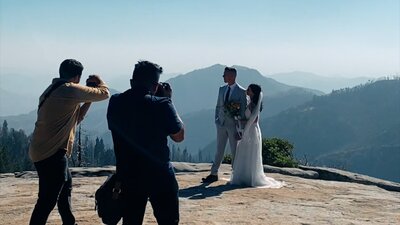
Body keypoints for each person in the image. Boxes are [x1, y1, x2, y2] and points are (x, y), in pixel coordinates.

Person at [29, 59, 110, 225]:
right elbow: (104, 94)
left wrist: (88, 99)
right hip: (52, 153)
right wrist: (99, 81)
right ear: (77, 77)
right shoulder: (69, 90)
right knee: (47, 200)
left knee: (64, 192)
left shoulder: (51, 90)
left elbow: (76, 118)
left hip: (44, 150)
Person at [107, 60, 184, 225]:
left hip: (128, 175)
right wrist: (168, 100)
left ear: (131, 82)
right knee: (169, 221)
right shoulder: (162, 104)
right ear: (156, 86)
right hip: (160, 174)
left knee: (131, 221)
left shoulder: (115, 102)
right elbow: (178, 136)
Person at [230, 84, 284, 188]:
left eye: (249, 89)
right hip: (250, 129)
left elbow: (253, 120)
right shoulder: (251, 103)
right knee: (246, 151)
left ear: (253, 92)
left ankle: (248, 176)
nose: (247, 90)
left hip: (251, 131)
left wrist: (240, 120)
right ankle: (246, 175)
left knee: (249, 152)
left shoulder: (253, 105)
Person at [202, 66, 247, 183]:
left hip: (234, 125)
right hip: (221, 124)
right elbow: (218, 106)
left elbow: (243, 110)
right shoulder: (222, 89)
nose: (223, 76)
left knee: (234, 151)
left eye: (225, 75)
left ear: (232, 76)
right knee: (219, 149)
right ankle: (213, 173)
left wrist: (240, 127)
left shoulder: (242, 91)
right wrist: (216, 119)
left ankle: (236, 175)